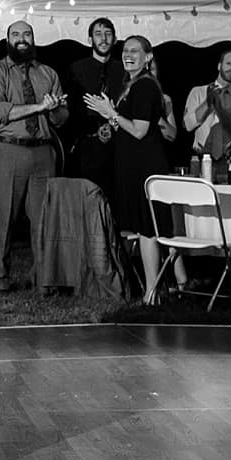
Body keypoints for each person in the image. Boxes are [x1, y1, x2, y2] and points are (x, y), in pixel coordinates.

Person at [0, 20, 68, 291]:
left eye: (27, 34)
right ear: (7, 40)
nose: (22, 39)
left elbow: (62, 117)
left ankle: (43, 278)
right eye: (16, 34)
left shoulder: (47, 73)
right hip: (8, 151)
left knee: (44, 218)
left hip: (42, 151)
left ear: (33, 38)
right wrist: (38, 105)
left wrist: (52, 109)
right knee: (4, 218)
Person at [83, 34, 170, 304]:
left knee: (147, 227)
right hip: (131, 165)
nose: (128, 54)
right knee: (141, 227)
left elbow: (140, 130)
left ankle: (152, 292)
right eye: (125, 51)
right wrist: (111, 111)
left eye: (135, 51)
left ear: (148, 56)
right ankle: (151, 288)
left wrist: (110, 113)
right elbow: (126, 127)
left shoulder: (145, 87)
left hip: (145, 165)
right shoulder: (131, 85)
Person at [64, 17, 124, 190]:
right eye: (98, 34)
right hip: (87, 149)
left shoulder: (124, 71)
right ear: (90, 40)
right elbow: (71, 111)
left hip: (118, 148)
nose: (103, 39)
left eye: (108, 34)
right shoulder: (76, 69)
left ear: (115, 39)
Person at [183, 47, 231, 169]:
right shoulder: (198, 92)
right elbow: (188, 125)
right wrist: (207, 103)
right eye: (228, 63)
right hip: (202, 157)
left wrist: (220, 109)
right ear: (219, 66)